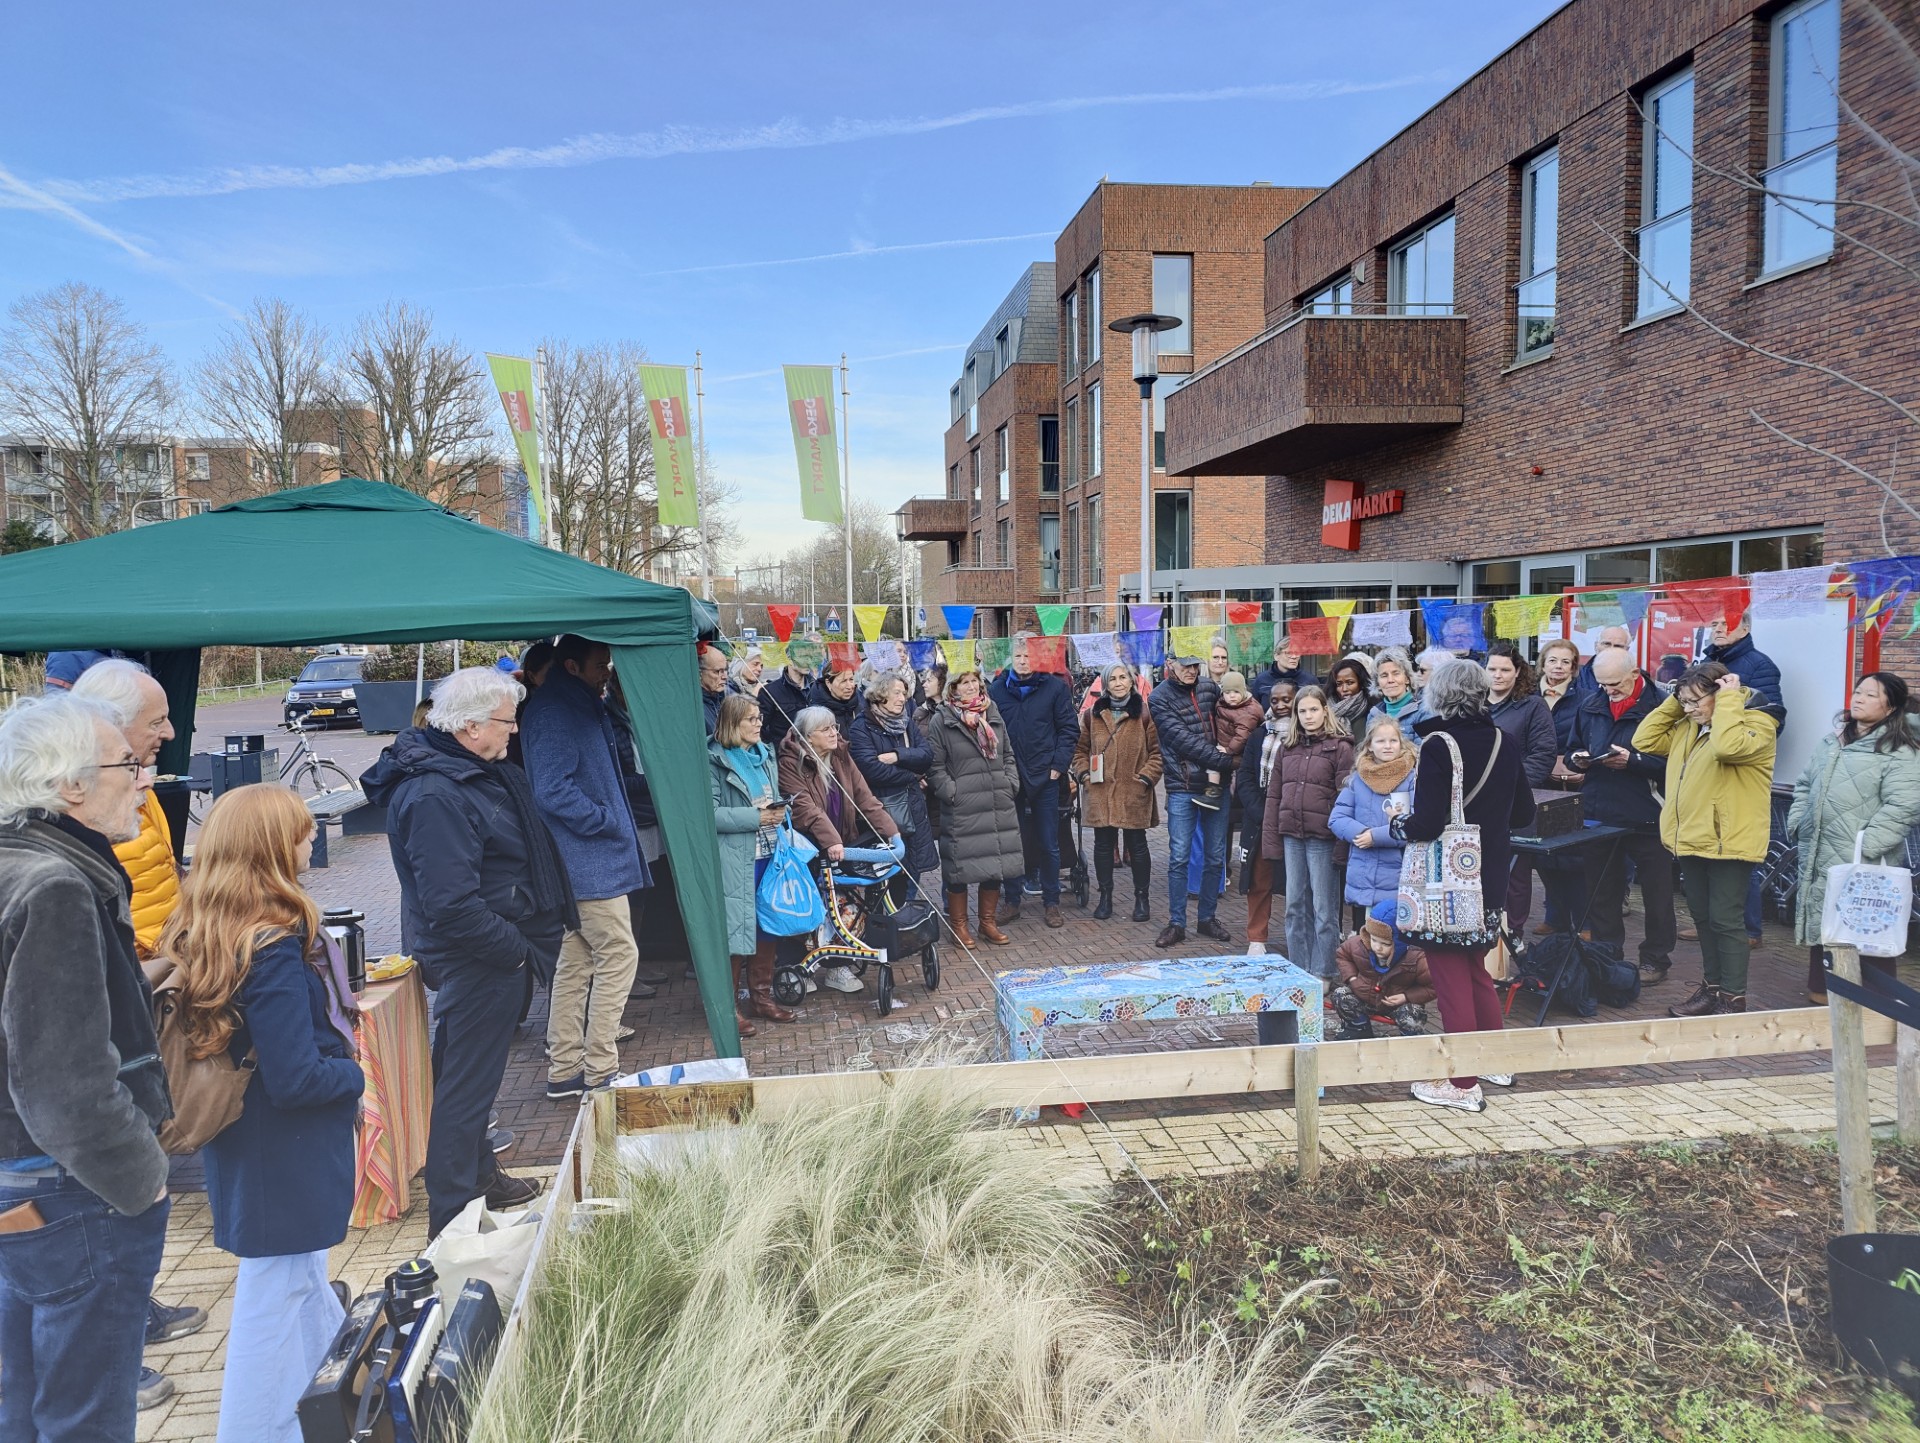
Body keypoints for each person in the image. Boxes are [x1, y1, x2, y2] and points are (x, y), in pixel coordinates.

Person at [155, 785, 364, 1443]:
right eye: (301, 833)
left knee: (300, 1284)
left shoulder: (208, 926)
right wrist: (355, 1073)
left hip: (253, 1143)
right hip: (285, 1147)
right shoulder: (270, 943)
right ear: (272, 847)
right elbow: (297, 1075)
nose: (309, 842)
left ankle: (321, 1414)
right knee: (270, 1303)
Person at [0, 693, 173, 1438]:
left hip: (22, 1181)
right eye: (130, 765)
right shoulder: (55, 885)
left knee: (24, 1401)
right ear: (70, 785)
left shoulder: (23, 865)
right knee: (84, 1415)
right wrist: (144, 1180)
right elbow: (68, 1086)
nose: (145, 781)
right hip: (73, 1191)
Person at [360, 667, 567, 1235]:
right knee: (464, 1088)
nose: (515, 731)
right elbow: (449, 902)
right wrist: (516, 952)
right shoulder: (435, 793)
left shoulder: (464, 773)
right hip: (478, 955)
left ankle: (479, 1178)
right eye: (507, 721)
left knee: (465, 1076)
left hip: (486, 949)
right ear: (471, 726)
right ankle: (452, 1217)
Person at [68, 660, 211, 1359]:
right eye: (157, 719)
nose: (171, 730)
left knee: (145, 1140)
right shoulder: (62, 860)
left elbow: (160, 871)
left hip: (151, 975)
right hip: (136, 978)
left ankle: (133, 1303)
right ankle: (117, 1327)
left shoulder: (135, 788)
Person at [1388, 659, 1535, 1112]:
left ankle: (1462, 1081)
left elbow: (1428, 822)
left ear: (1441, 694)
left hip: (1446, 886)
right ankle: (1494, 1060)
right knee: (1476, 970)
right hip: (1489, 875)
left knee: (1451, 975)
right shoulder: (1504, 741)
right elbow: (1524, 813)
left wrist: (1398, 823)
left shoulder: (1437, 745)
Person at [520, 636, 651, 1098]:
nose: (607, 672)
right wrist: (604, 820)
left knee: (575, 962)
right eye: (601, 665)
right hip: (588, 862)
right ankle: (599, 1070)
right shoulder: (558, 711)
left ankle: (565, 1070)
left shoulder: (568, 703)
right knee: (618, 955)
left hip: (585, 859)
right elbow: (553, 790)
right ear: (572, 665)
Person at [1633, 661, 1778, 1017]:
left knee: (1726, 920)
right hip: (1692, 837)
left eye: (1697, 701)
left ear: (1723, 693)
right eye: (1685, 702)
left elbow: (1728, 748)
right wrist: (1678, 699)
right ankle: (1711, 988)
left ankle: (1733, 998)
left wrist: (1729, 700)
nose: (1689, 709)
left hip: (1729, 840)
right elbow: (1643, 739)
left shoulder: (1758, 724)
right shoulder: (1687, 725)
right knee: (1701, 917)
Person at [1787, 671, 1920, 1002]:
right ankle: (1823, 992)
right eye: (1857, 692)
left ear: (1891, 707)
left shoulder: (1900, 748)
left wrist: (1867, 844)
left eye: (1871, 695)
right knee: (1825, 920)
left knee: (1867, 925)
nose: (1858, 698)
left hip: (1865, 856)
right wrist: (1799, 822)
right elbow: (1804, 784)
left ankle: (1874, 1000)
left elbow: (1904, 805)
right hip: (1818, 847)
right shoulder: (1833, 740)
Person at [1567, 648, 1679, 981]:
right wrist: (1579, 759)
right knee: (1602, 891)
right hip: (1600, 810)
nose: (1608, 691)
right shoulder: (1591, 704)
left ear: (1635, 674)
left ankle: (1656, 959)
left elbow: (1677, 764)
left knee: (1658, 893)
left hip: (1648, 813)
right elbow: (1571, 748)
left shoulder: (1662, 706)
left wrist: (1634, 762)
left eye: (1615, 683)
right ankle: (1607, 953)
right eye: (1602, 684)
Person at [778, 706, 902, 993]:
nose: (835, 733)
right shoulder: (790, 762)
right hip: (808, 850)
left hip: (840, 846)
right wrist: (830, 840)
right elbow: (805, 809)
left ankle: (836, 966)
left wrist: (892, 832)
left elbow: (865, 798)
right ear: (808, 736)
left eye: (835, 727)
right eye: (826, 729)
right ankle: (799, 969)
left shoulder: (841, 757)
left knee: (844, 906)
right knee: (807, 911)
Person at [71, 660, 180, 959]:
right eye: (156, 722)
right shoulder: (79, 808)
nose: (170, 733)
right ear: (112, 723)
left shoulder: (142, 786)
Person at [925, 671, 1025, 947]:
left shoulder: (991, 712)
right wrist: (951, 793)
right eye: (964, 683)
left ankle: (987, 923)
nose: (971, 687)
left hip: (996, 802)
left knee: (994, 865)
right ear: (952, 689)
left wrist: (1010, 783)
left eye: (975, 682)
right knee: (959, 868)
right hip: (963, 806)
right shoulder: (941, 720)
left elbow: (1008, 754)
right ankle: (959, 926)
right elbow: (935, 767)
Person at [1705, 609, 1787, 947]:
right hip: (1706, 764)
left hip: (1738, 769)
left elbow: (1772, 717)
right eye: (1714, 623)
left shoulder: (1759, 664)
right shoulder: (1707, 661)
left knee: (1739, 853)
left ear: (1747, 627)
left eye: (1727, 622)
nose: (1719, 628)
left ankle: (1749, 929)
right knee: (1708, 849)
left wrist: (1736, 740)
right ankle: (1711, 921)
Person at [1263, 686, 1354, 981]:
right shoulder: (1287, 748)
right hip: (1292, 834)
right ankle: (1299, 968)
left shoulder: (1340, 748)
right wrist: (1271, 839)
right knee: (1293, 905)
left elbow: (1347, 796)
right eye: (1302, 711)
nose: (1308, 716)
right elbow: (1274, 795)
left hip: (1323, 837)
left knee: (1324, 908)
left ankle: (1323, 971)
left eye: (1314, 709)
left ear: (1325, 711)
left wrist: (1342, 842)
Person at [988, 634, 1078, 927]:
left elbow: (1068, 729)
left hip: (1045, 776)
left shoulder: (1054, 688)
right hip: (1010, 777)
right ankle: (1012, 900)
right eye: (1018, 656)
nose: (1023, 661)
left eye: (1028, 656)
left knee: (1049, 842)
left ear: (1037, 657)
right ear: (1010, 659)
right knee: (1012, 842)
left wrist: (1058, 765)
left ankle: (1051, 901)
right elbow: (989, 733)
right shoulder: (998, 691)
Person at [707, 694, 785, 1029]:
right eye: (750, 719)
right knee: (736, 931)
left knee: (766, 926)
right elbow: (707, 814)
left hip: (770, 852)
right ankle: (729, 1008)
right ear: (731, 723)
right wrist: (756, 817)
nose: (758, 724)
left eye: (759, 718)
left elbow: (775, 800)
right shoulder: (713, 759)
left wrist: (782, 811)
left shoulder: (765, 754)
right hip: (737, 858)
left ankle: (762, 998)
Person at [1149, 651, 1234, 948]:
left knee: (1215, 855)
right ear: (1171, 665)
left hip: (1216, 784)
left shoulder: (1210, 687)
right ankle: (1176, 923)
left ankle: (1207, 918)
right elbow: (1180, 739)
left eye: (1195, 665)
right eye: (1185, 665)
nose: (1191, 670)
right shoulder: (1159, 697)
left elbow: (1232, 720)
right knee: (1179, 857)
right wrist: (1226, 761)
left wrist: (1234, 749)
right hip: (1183, 784)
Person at [1070, 663, 1161, 922]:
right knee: (1103, 845)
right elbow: (1080, 751)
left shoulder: (1143, 714)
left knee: (1138, 845)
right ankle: (1105, 897)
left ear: (1132, 682)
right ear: (1106, 684)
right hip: (1101, 790)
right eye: (1113, 679)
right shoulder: (1092, 715)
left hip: (1133, 790)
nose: (1119, 683)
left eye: (1123, 678)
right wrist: (1085, 775)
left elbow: (1156, 753)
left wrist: (1144, 778)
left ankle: (1141, 898)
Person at [1486, 642, 1558, 932]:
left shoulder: (1532, 706)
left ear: (1518, 672)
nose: (1498, 675)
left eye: (1505, 669)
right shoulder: (1473, 703)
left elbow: (1543, 755)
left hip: (1512, 806)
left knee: (1515, 875)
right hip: (1474, 804)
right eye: (1492, 669)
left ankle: (1512, 935)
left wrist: (1509, 789)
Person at [847, 669, 938, 894]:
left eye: (904, 693)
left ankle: (906, 917)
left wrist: (899, 756)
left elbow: (926, 756)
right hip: (882, 808)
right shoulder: (862, 727)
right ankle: (885, 921)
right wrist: (912, 775)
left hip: (912, 806)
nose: (902, 698)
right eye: (897, 693)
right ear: (880, 695)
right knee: (884, 869)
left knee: (912, 865)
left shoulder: (906, 723)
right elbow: (871, 770)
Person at [1330, 717, 1416, 928]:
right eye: (1381, 741)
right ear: (1369, 745)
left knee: (1395, 939)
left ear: (1401, 743)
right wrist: (1362, 833)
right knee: (1367, 939)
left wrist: (1375, 837)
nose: (1387, 746)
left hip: (1399, 875)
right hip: (1363, 872)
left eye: (1393, 741)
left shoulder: (1413, 778)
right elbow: (1337, 818)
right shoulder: (1358, 779)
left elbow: (1414, 822)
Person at [1236, 681, 1294, 953]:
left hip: (1295, 816)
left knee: (1298, 883)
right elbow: (1245, 775)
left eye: (1287, 699)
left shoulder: (1305, 733)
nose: (1280, 705)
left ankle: (1298, 938)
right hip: (1260, 816)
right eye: (1275, 700)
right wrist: (1261, 810)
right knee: (1259, 880)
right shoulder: (1259, 735)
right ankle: (1256, 938)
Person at [1330, 900, 1435, 1041]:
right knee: (1340, 994)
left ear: (1399, 942)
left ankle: (1410, 1040)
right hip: (1365, 997)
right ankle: (1358, 1028)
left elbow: (1433, 986)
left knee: (1413, 1013)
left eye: (1385, 944)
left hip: (1398, 1005)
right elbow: (1343, 955)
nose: (1378, 947)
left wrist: (1406, 997)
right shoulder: (1359, 945)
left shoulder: (1415, 957)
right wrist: (1352, 978)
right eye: (1374, 940)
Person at [1365, 646, 1430, 741]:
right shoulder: (1373, 714)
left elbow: (1424, 751)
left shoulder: (1423, 710)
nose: (1390, 680)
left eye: (1396, 673)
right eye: (1384, 675)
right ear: (1378, 683)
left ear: (1407, 679)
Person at [759, 649, 814, 751]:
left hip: (814, 756)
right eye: (803, 657)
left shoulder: (816, 688)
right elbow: (759, 728)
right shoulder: (770, 692)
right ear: (789, 660)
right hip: (784, 756)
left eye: (810, 658)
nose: (808, 662)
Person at [1251, 631, 1319, 708]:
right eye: (1289, 653)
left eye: (1297, 652)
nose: (1294, 656)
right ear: (1276, 656)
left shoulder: (1309, 680)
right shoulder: (1261, 680)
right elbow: (1255, 710)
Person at [1571, 625, 1635, 701]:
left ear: (1626, 650)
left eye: (1618, 646)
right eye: (1606, 644)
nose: (1611, 649)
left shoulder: (1636, 677)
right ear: (1596, 646)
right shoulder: (1576, 676)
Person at [804, 659, 862, 738]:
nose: (849, 686)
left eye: (851, 679)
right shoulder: (816, 712)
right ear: (828, 683)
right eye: (843, 681)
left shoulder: (861, 702)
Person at [1326, 656, 1375, 738]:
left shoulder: (1373, 710)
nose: (1344, 689)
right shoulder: (1324, 711)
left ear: (1361, 683)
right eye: (1339, 684)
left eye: (1350, 683)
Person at [697, 641, 730, 736]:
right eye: (718, 671)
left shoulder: (722, 698)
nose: (725, 676)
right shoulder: (696, 709)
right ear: (700, 673)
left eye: (725, 670)